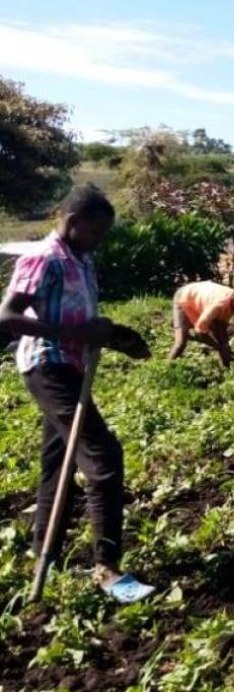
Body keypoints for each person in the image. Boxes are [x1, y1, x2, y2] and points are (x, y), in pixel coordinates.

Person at [0, 186, 155, 603]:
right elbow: (9, 316)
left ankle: (42, 557)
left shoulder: (82, 260)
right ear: (73, 222)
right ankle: (107, 569)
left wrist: (104, 330)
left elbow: (79, 314)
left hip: (71, 366)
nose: (100, 239)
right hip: (47, 366)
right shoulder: (43, 257)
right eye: (97, 231)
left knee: (57, 465)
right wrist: (77, 333)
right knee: (103, 457)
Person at [168, 281, 234, 366]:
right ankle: (166, 367)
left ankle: (226, 370)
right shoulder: (217, 305)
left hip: (201, 299)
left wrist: (224, 345)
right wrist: (215, 345)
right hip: (184, 298)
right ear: (233, 300)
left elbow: (222, 327)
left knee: (223, 342)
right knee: (181, 342)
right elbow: (200, 330)